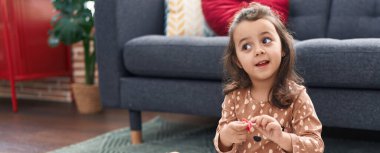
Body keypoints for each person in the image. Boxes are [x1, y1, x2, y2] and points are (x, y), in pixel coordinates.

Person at [213, 2, 324, 153]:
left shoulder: (297, 97)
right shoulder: (234, 97)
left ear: (283, 48)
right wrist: (226, 137)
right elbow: (221, 146)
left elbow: (316, 147)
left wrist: (281, 138)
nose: (258, 51)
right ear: (238, 61)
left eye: (266, 40)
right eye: (246, 46)